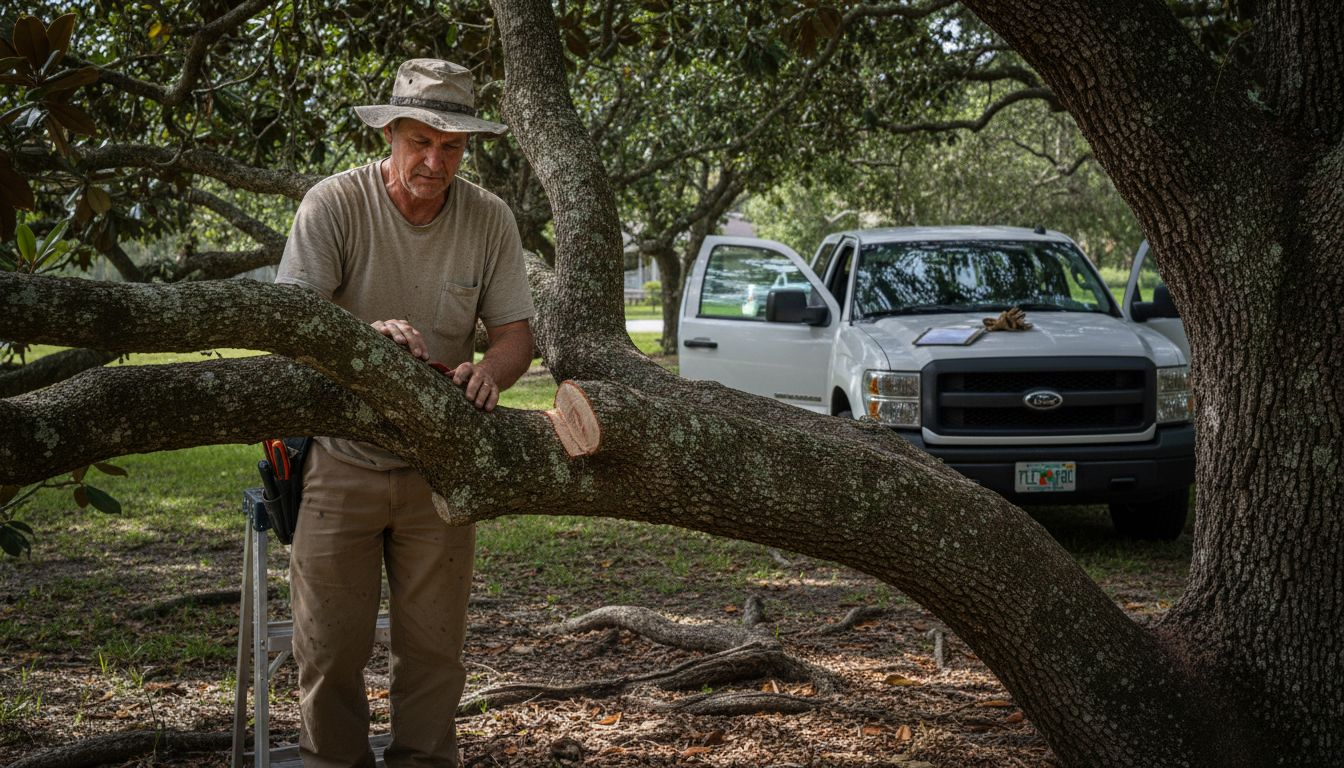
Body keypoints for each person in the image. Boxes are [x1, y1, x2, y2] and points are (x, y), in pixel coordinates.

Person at [274, 59, 535, 768]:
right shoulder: (333, 204)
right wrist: (362, 342)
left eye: (451, 147)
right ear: (390, 133)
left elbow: (515, 333)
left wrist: (489, 372)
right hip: (340, 461)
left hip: (439, 468)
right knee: (328, 656)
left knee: (434, 657)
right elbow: (292, 326)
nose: (434, 160)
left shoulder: (489, 217)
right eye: (420, 141)